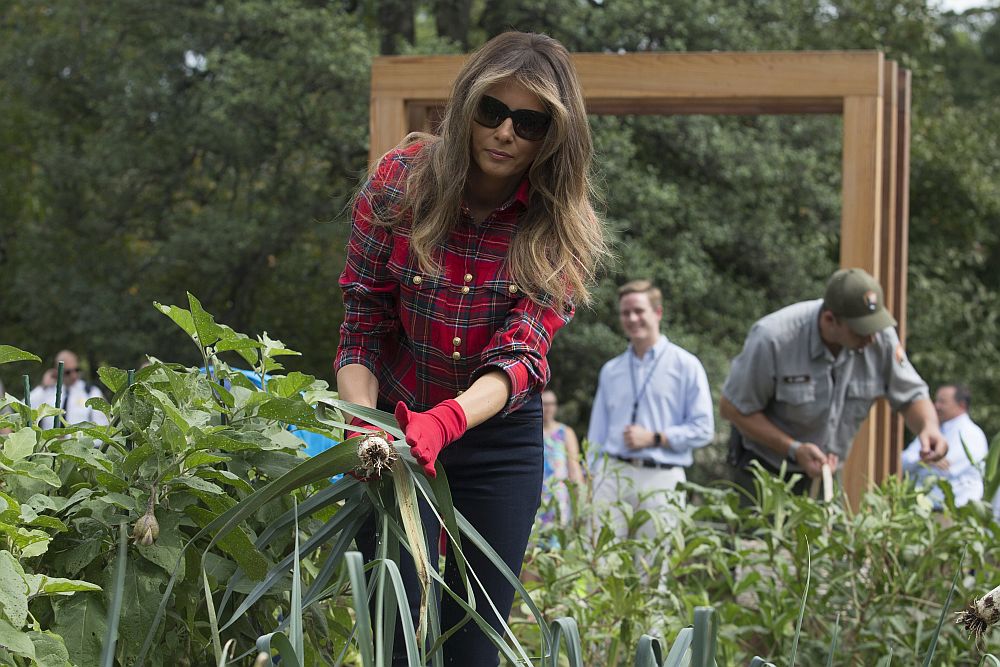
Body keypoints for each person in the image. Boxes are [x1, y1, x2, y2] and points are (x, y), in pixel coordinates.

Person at [335, 31, 607, 666]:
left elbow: (520, 357)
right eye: (492, 109)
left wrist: (449, 420)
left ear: (553, 137)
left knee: (475, 642)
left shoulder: (561, 227)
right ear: (466, 107)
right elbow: (363, 319)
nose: (505, 131)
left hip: (494, 439)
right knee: (392, 629)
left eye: (529, 121)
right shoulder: (400, 182)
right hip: (394, 431)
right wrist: (362, 421)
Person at [721, 268, 947, 497]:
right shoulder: (773, 338)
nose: (870, 339)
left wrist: (929, 427)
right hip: (763, 475)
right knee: (768, 534)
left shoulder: (880, 338)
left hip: (822, 477)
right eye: (861, 331)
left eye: (874, 327)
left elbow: (911, 395)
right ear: (830, 320)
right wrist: (793, 448)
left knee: (816, 534)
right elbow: (733, 408)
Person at [587, 280, 715, 538]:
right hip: (613, 475)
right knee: (601, 562)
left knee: (654, 568)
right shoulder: (611, 370)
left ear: (658, 312)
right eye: (625, 313)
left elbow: (703, 429)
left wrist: (656, 437)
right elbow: (596, 434)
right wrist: (591, 478)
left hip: (662, 477)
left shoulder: (686, 366)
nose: (632, 318)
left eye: (639, 311)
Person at [902, 383, 987, 508]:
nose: (936, 406)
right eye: (936, 401)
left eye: (942, 402)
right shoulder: (933, 430)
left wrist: (921, 461)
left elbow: (945, 470)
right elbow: (902, 461)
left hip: (957, 514)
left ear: (961, 405)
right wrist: (925, 460)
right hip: (924, 509)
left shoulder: (972, 434)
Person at [30, 349, 109, 429]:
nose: (74, 375)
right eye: (68, 372)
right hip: (50, 441)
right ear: (57, 372)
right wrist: (42, 386)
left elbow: (102, 426)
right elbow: (25, 409)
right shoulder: (47, 391)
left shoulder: (91, 392)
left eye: (76, 370)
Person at [538, 389, 584, 527]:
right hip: (536, 495)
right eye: (545, 404)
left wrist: (579, 500)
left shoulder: (565, 432)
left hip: (558, 496)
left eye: (552, 404)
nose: (548, 408)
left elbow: (574, 467)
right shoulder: (533, 432)